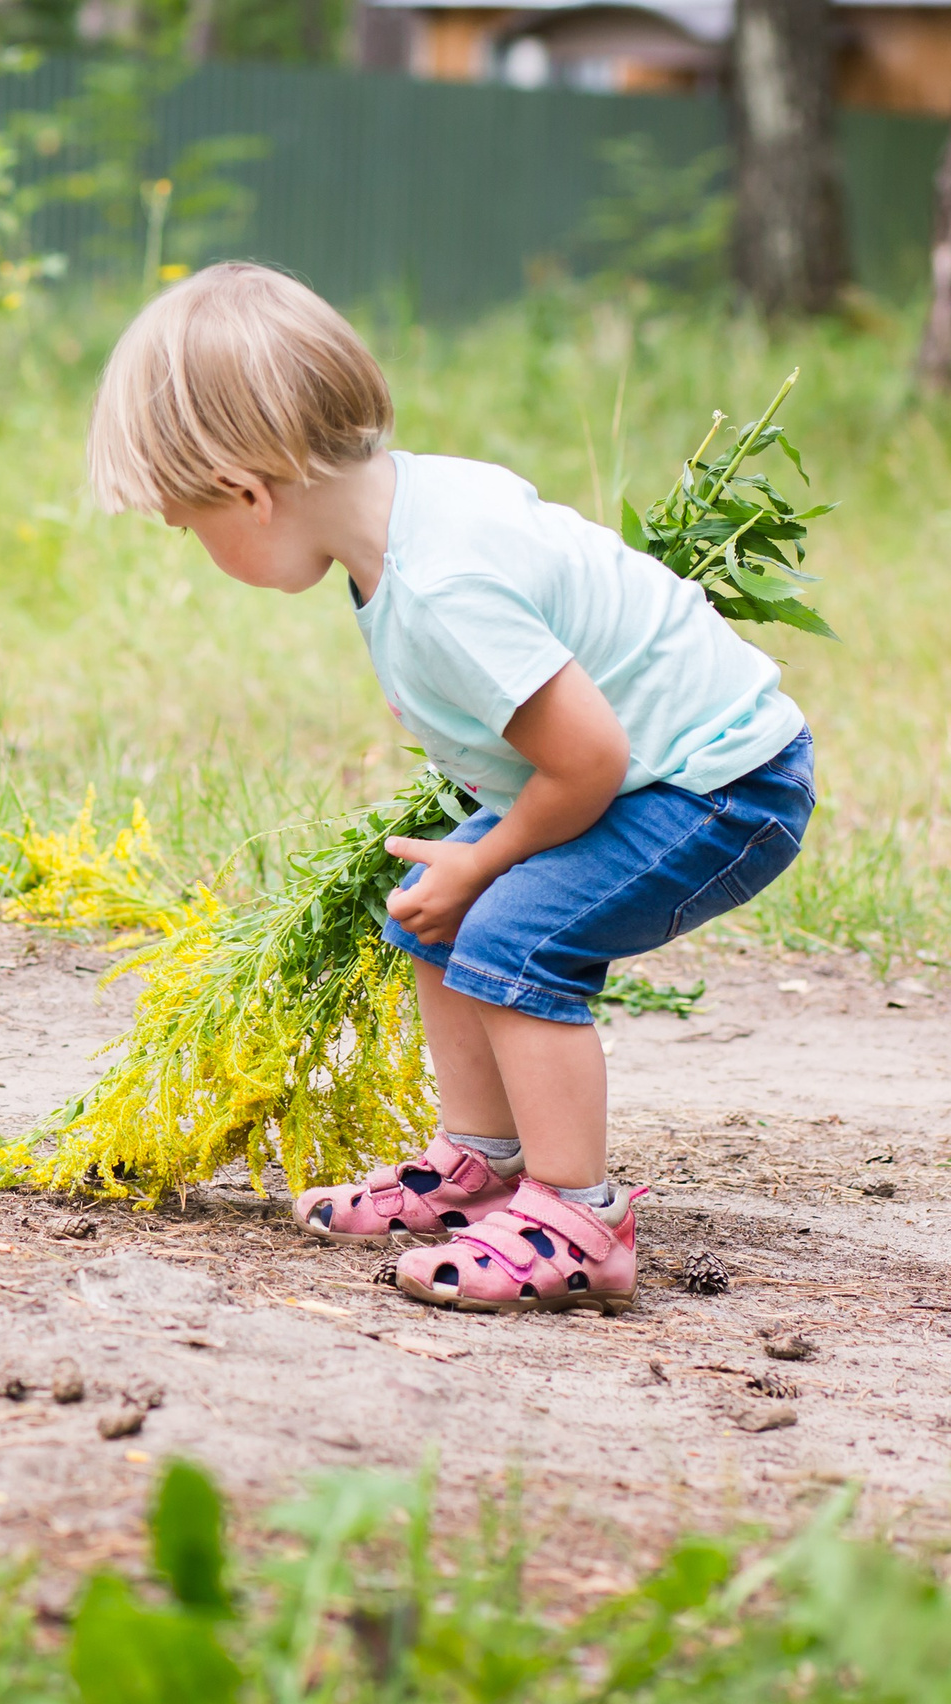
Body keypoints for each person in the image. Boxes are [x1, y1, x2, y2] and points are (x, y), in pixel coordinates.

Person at [83, 263, 815, 1314]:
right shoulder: (408, 512)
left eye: (186, 525)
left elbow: (588, 761)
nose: (196, 548)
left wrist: (484, 852)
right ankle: (483, 1162)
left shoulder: (439, 585)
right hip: (645, 770)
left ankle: (578, 1217)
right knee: (447, 917)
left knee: (516, 935)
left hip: (719, 786)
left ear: (248, 495)